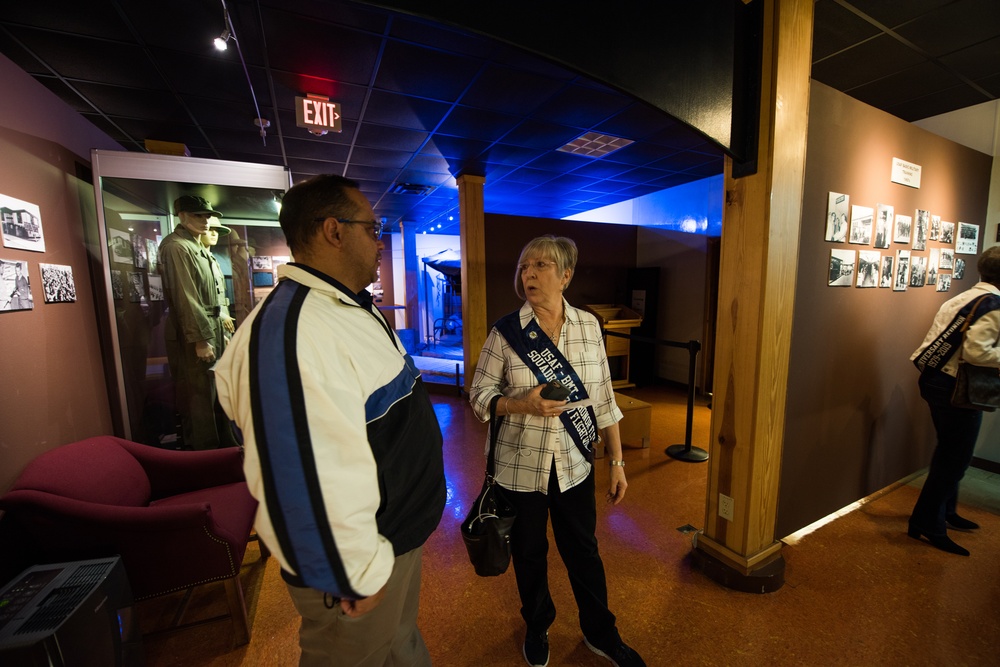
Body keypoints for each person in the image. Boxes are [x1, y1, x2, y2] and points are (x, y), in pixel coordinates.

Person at [214, 174, 446, 666]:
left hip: (395, 538)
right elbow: (294, 469)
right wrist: (351, 569)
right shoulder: (289, 332)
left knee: (397, 644)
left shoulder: (349, 306)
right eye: (372, 227)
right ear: (333, 231)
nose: (379, 240)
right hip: (357, 564)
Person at [469, 235, 645, 667]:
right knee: (529, 554)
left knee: (583, 551)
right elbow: (478, 397)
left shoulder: (588, 326)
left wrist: (618, 462)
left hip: (574, 465)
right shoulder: (505, 333)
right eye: (525, 266)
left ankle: (601, 633)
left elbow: (604, 399)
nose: (529, 273)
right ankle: (537, 625)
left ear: (565, 275)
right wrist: (520, 403)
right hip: (519, 467)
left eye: (542, 266)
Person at [909, 245, 1000, 556]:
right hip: (955, 389)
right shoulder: (993, 305)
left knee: (948, 452)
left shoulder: (966, 297)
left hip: (936, 381)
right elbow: (978, 352)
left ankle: (946, 511)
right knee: (955, 459)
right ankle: (927, 523)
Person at [159, 195, 229, 450]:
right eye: (198, 215)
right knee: (198, 399)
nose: (206, 220)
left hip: (209, 328)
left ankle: (223, 449)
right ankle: (206, 458)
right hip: (194, 334)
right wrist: (201, 339)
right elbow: (186, 297)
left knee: (214, 393)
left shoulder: (195, 247)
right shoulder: (177, 247)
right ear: (182, 216)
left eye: (207, 215)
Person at [198, 219, 236, 346]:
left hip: (222, 318)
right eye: (210, 230)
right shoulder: (198, 259)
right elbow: (200, 298)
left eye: (217, 231)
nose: (214, 234)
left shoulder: (213, 259)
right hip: (212, 321)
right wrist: (221, 316)